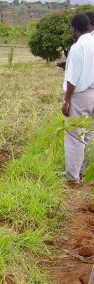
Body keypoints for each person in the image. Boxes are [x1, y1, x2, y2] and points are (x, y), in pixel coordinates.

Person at [62, 14, 94, 185]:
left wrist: (67, 100)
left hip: (80, 96)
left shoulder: (77, 47)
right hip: (93, 92)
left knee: (74, 137)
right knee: (89, 135)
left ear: (74, 28)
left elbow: (72, 79)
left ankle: (72, 178)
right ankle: (87, 172)